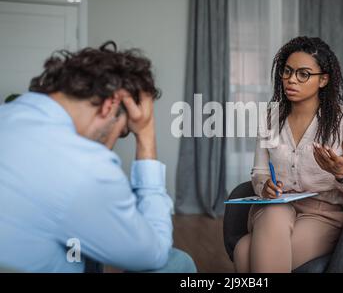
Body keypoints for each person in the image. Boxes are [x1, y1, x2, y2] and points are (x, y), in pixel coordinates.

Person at [0, 41, 196, 273]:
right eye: (122, 132)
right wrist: (145, 133)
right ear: (110, 104)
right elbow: (155, 253)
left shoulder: (9, 113)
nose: (110, 146)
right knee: (175, 263)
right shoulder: (85, 165)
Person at [233, 36, 343, 273]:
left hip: (322, 214)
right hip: (273, 208)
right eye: (287, 71)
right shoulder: (270, 117)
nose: (291, 79)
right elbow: (259, 172)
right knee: (275, 211)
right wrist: (264, 187)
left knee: (243, 251)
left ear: (323, 80)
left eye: (303, 74)